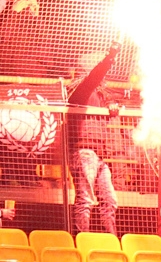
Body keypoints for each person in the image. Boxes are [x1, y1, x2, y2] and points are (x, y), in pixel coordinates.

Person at [68, 45, 119, 235]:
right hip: (84, 152)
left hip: (99, 155)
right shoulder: (81, 91)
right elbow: (93, 78)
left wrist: (112, 104)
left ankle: (112, 240)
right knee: (85, 199)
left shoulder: (99, 94)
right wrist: (110, 57)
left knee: (110, 200)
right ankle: (83, 240)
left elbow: (108, 100)